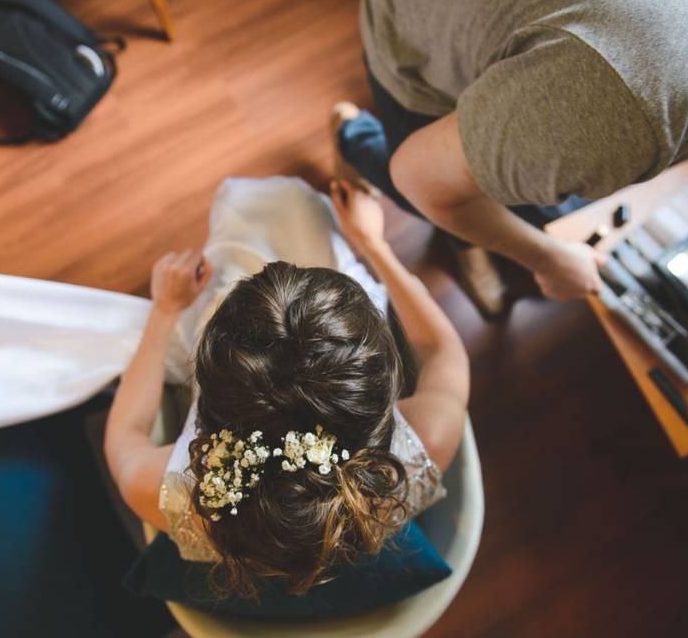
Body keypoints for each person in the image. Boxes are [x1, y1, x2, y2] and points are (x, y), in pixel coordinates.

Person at [102, 177, 469, 597]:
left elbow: (126, 433)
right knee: (285, 208)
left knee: (250, 209)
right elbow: (442, 351)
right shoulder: (431, 436)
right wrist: (374, 245)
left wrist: (165, 312)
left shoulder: (163, 493)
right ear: (383, 390)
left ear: (206, 396)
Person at [335, 0, 688, 320]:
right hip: (420, 37)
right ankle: (352, 136)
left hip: (543, 56)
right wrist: (549, 261)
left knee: (509, 186)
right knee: (448, 193)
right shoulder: (619, 111)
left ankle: (468, 224)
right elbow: (420, 177)